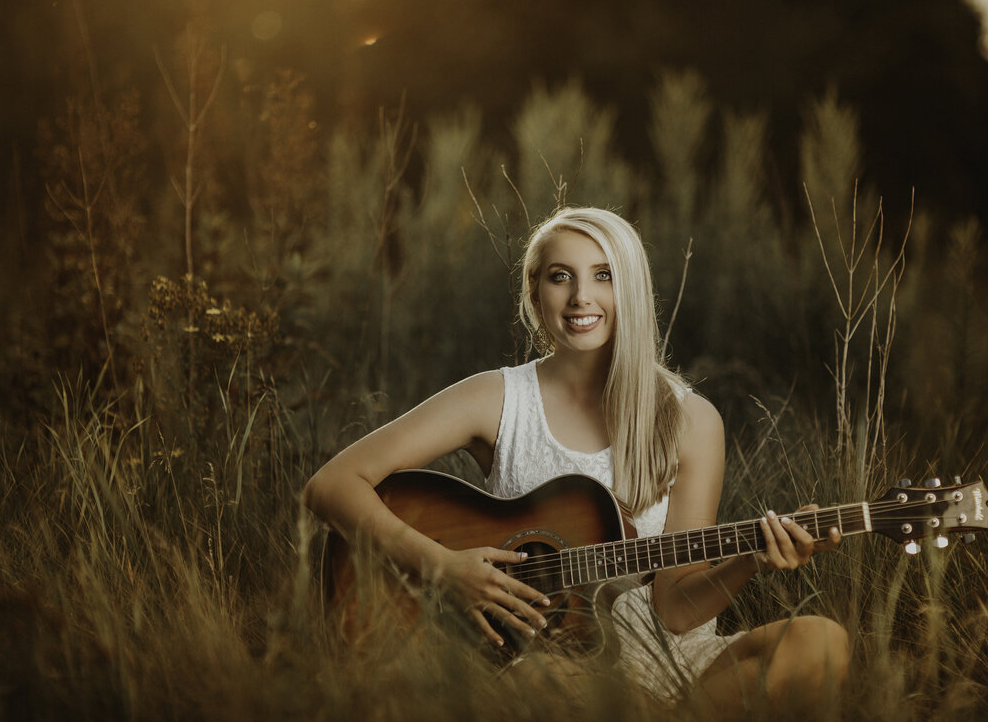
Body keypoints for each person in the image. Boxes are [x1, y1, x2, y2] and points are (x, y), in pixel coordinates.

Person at [303, 206, 850, 714]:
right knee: (540, 681)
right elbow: (332, 484)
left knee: (822, 642)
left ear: (631, 290)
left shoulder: (691, 419)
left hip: (677, 670)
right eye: (560, 276)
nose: (581, 297)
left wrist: (753, 556)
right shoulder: (495, 399)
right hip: (558, 670)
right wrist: (441, 567)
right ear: (535, 291)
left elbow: (679, 609)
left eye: (604, 276)